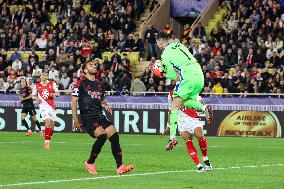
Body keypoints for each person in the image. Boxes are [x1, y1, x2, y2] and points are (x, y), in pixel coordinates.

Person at [71, 61, 134, 175]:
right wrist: (75, 119)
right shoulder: (80, 83)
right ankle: (90, 162)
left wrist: (105, 104)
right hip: (88, 117)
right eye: (91, 65)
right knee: (102, 136)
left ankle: (120, 166)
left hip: (100, 115)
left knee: (114, 136)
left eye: (95, 65)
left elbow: (100, 99)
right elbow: (74, 101)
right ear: (85, 70)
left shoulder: (100, 84)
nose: (94, 66)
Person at [154, 33, 212, 150]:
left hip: (188, 77)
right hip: (199, 75)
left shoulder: (165, 54)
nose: (157, 45)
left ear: (160, 42)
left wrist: (161, 73)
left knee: (174, 106)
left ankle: (172, 138)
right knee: (184, 101)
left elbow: (173, 76)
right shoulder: (178, 45)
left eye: (157, 43)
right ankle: (203, 107)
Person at [161, 91, 212, 172]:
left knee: (200, 136)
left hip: (194, 119)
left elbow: (203, 106)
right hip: (182, 122)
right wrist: (168, 126)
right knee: (188, 141)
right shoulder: (171, 95)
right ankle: (198, 165)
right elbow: (171, 111)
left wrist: (207, 115)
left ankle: (205, 159)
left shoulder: (193, 93)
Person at [32, 72, 60, 150]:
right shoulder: (36, 85)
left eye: (46, 75)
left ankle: (48, 140)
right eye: (43, 75)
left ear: (47, 76)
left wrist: (54, 94)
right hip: (43, 106)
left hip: (51, 107)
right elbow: (33, 95)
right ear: (40, 77)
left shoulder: (52, 83)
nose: (45, 76)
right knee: (47, 123)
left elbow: (58, 94)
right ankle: (46, 143)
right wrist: (36, 98)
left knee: (52, 126)